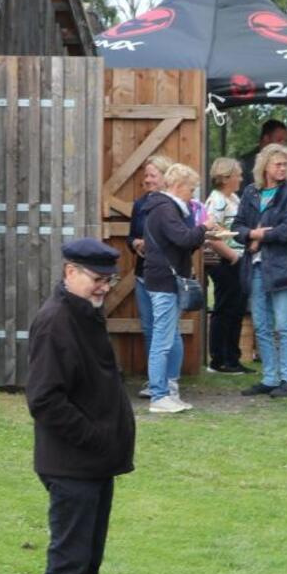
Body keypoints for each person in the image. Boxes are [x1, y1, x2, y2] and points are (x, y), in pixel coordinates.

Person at [24, 240, 137, 574]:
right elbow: (45, 400)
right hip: (71, 462)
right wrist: (94, 437)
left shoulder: (83, 313)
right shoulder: (55, 322)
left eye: (108, 281)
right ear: (70, 272)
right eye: (97, 279)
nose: (103, 289)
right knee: (69, 560)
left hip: (94, 463)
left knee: (88, 559)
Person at [234, 142, 287, 399]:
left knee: (283, 323)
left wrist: (262, 237)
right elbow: (238, 225)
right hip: (255, 266)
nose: (283, 168)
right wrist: (252, 234)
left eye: (286, 164)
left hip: (281, 266)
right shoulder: (251, 192)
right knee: (261, 324)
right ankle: (269, 377)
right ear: (265, 166)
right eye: (278, 164)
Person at [139, 162, 206, 414]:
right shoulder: (166, 208)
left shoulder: (165, 207)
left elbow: (182, 243)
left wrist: (197, 233)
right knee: (162, 339)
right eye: (191, 189)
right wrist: (203, 229)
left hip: (165, 279)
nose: (193, 194)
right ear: (178, 186)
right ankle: (158, 395)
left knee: (169, 337)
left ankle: (167, 390)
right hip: (164, 281)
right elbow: (184, 238)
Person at [128, 155, 171, 396]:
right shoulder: (140, 205)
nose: (147, 180)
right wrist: (135, 243)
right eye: (146, 175)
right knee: (149, 328)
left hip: (164, 276)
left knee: (167, 330)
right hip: (142, 273)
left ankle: (168, 381)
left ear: (165, 177)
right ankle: (154, 380)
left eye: (152, 175)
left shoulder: (173, 205)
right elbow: (129, 236)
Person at [202, 158, 250, 374]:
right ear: (227, 177)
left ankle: (233, 357)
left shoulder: (233, 198)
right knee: (225, 308)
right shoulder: (217, 201)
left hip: (236, 259)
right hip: (224, 261)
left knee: (236, 308)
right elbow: (211, 234)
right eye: (238, 174)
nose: (241, 178)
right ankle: (219, 359)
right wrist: (233, 257)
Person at [235, 117, 287, 194]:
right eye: (279, 140)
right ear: (266, 139)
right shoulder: (243, 165)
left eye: (285, 141)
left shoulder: (284, 166)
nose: (283, 145)